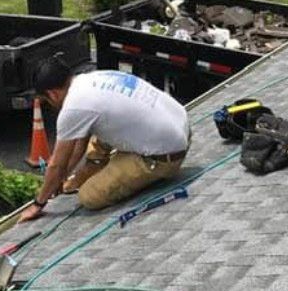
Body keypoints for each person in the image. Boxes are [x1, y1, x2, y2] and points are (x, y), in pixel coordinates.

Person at [20, 59, 190, 221]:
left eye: (47, 101)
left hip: (166, 156)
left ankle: (121, 167)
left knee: (89, 196)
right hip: (180, 127)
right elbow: (78, 146)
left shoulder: (73, 108)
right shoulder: (91, 79)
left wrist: (38, 203)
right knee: (99, 128)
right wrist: (61, 178)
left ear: (52, 94)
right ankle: (97, 165)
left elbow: (57, 163)